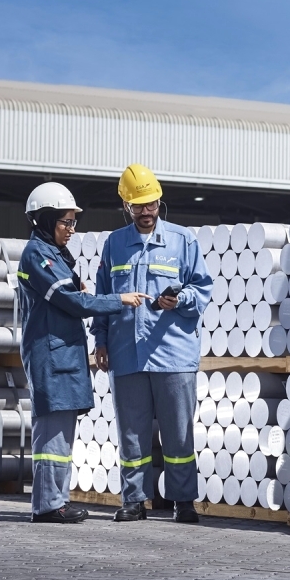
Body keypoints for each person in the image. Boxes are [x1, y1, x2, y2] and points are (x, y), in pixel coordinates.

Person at [17, 182, 150, 523]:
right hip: (51, 357)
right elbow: (73, 302)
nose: (71, 230)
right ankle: (49, 506)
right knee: (53, 438)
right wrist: (118, 300)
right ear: (46, 221)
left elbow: (70, 291)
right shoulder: (38, 255)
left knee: (60, 437)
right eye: (65, 223)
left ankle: (53, 501)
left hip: (61, 355)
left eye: (74, 223)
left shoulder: (52, 254)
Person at [93, 164, 213, 523]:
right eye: (138, 206)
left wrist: (181, 299)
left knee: (178, 433)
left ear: (160, 201)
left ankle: (183, 501)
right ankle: (134, 501)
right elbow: (103, 296)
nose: (147, 212)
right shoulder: (115, 244)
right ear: (126, 206)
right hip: (126, 354)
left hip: (173, 353)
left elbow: (202, 289)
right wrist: (100, 340)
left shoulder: (182, 241)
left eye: (152, 204)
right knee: (132, 432)